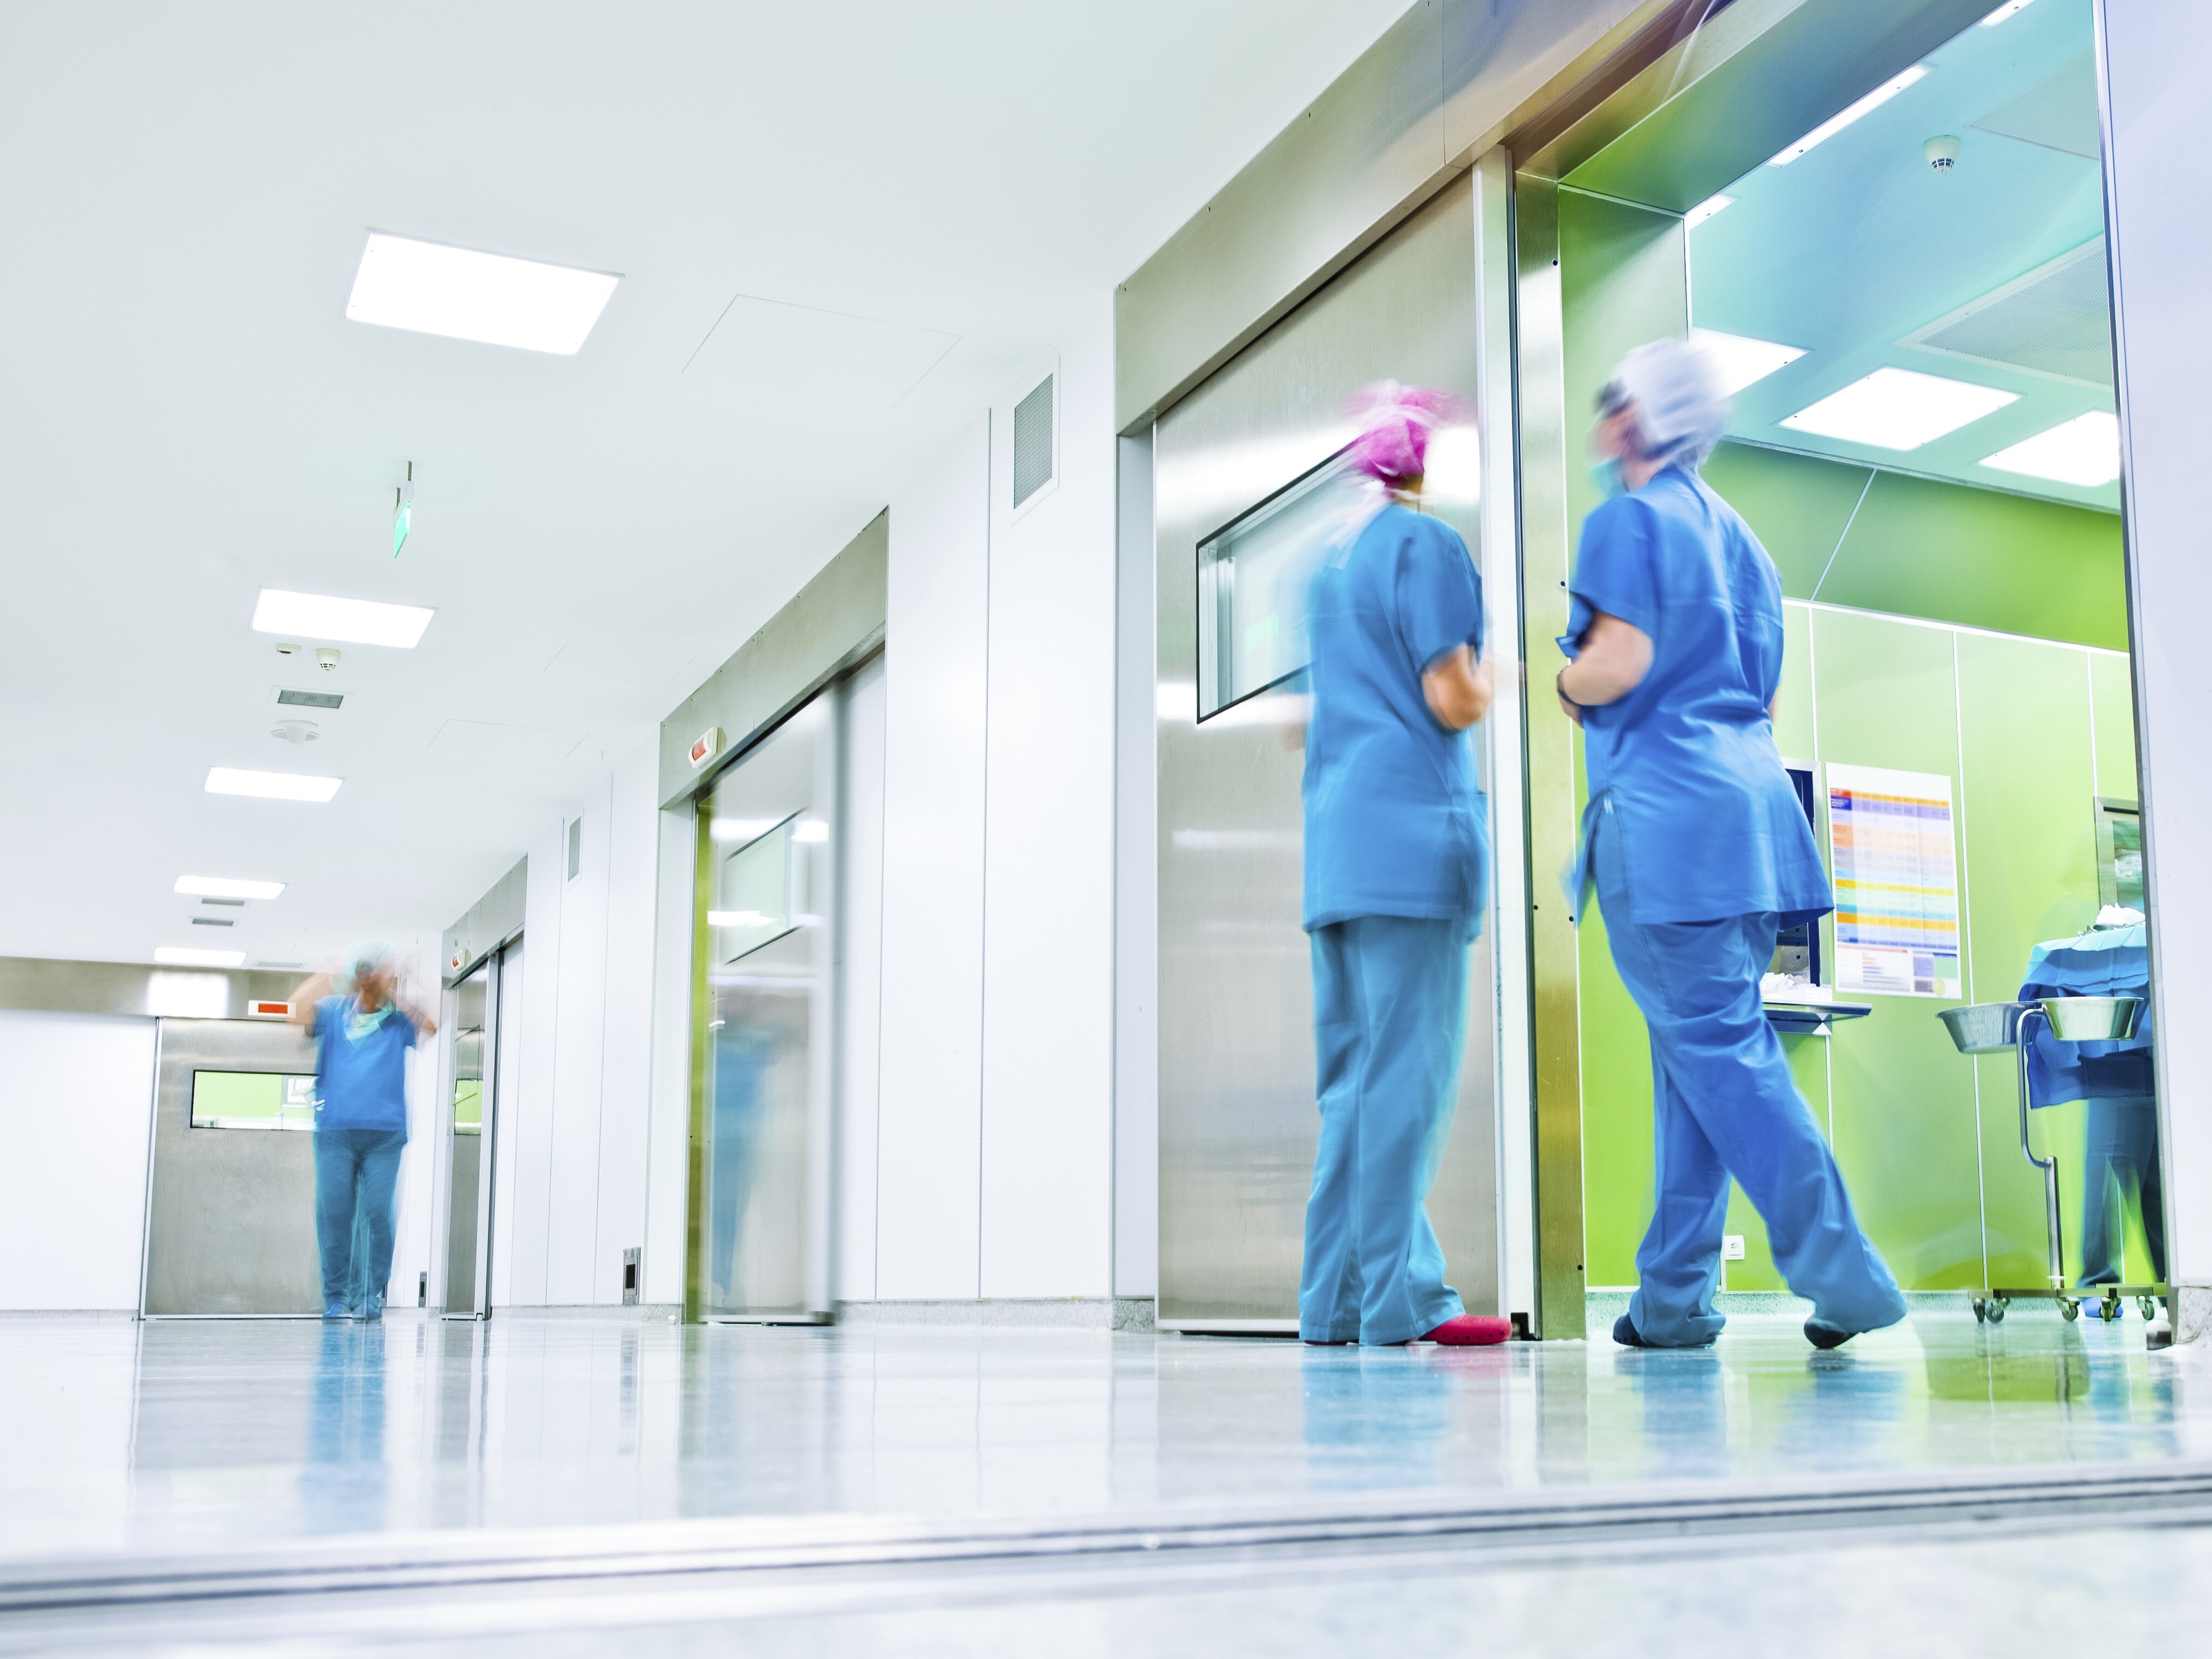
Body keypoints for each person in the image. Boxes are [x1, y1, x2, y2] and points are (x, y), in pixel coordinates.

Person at [1557, 338, 1905, 1351]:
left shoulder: (1627, 518)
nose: (1599, 423)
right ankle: (1671, 1299)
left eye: (1608, 405)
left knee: (1725, 1058)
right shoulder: (1744, 539)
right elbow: (1764, 694)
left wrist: (1564, 680)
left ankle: (1847, 1277)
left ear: (1634, 421)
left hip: (1669, 832)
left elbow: (1616, 662)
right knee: (1697, 1065)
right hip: (1752, 827)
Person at [1297, 383, 1506, 1349]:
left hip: (1339, 854)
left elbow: (1309, 723)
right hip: (1412, 848)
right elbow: (1452, 694)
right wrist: (1516, 672)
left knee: (1351, 1085)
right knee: (1404, 1087)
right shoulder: (1423, 545)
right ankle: (1392, 1306)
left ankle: (1335, 1304)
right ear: (1423, 458)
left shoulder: (1326, 567)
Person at [290, 944, 437, 1321]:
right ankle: (337, 1297)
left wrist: (396, 984)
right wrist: (328, 970)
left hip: (385, 1135)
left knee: (377, 1213)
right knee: (335, 1213)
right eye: (364, 975)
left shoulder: (398, 1019)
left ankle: (371, 1294)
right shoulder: (334, 1011)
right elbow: (296, 1012)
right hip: (335, 1132)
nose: (369, 981)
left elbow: (432, 1025)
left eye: (376, 975)